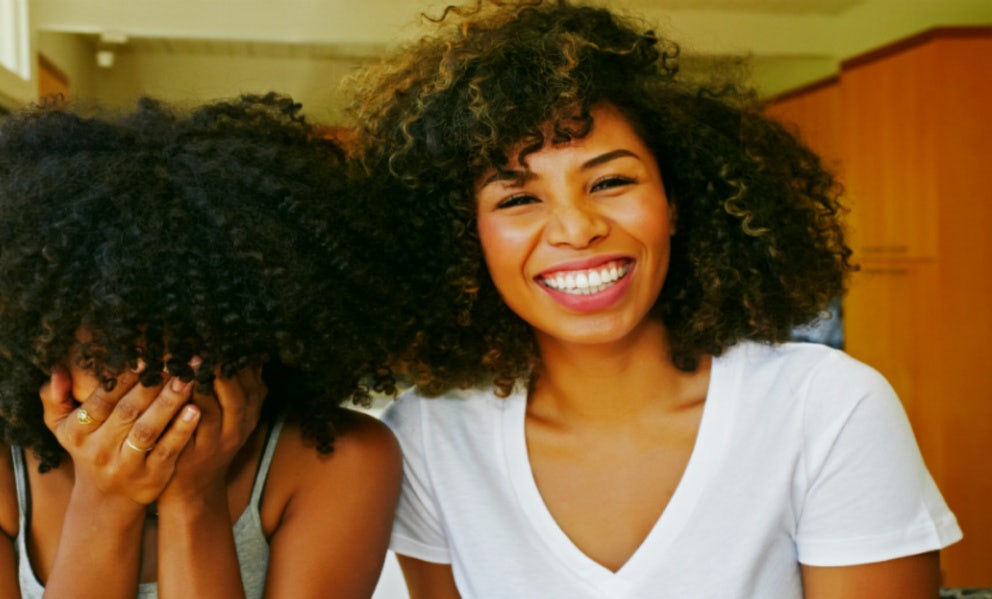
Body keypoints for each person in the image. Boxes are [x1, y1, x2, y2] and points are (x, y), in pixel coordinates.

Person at [346, 1, 962, 597]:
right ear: (461, 238)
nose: (576, 228)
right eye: (517, 198)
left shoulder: (824, 409)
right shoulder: (428, 436)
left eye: (610, 181)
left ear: (676, 203)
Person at [0, 94, 403, 598]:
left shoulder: (344, 460)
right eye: (112, 348)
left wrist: (195, 498)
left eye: (194, 346)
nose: (154, 378)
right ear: (38, 337)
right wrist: (107, 499)